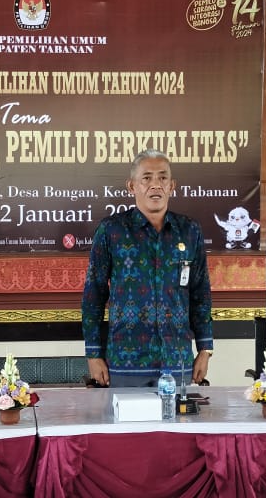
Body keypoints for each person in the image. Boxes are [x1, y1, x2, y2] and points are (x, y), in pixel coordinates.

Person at [82, 149, 214, 388]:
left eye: (163, 178)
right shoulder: (112, 230)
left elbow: (200, 294)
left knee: (179, 415)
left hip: (177, 361)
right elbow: (94, 295)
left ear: (172, 186)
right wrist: (93, 354)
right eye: (146, 178)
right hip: (125, 364)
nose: (155, 185)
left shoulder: (189, 230)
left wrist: (205, 349)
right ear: (131, 186)